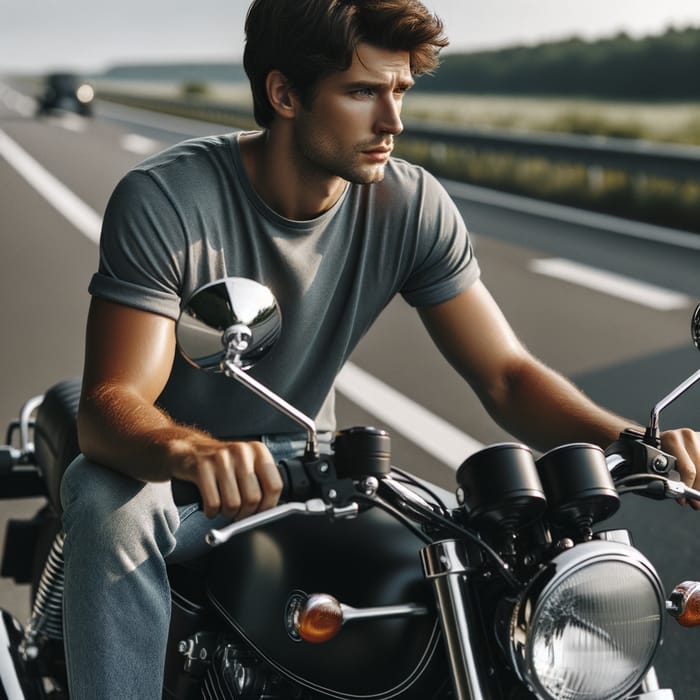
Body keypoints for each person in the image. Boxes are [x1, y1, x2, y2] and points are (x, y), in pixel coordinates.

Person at [60, 0, 700, 697]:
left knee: (493, 547)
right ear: (284, 94)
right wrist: (195, 453)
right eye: (363, 92)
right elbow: (110, 404)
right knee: (104, 505)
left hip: (310, 460)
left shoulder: (410, 205)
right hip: (172, 476)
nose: (393, 121)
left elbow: (507, 378)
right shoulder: (169, 201)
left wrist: (642, 444)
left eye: (399, 91)